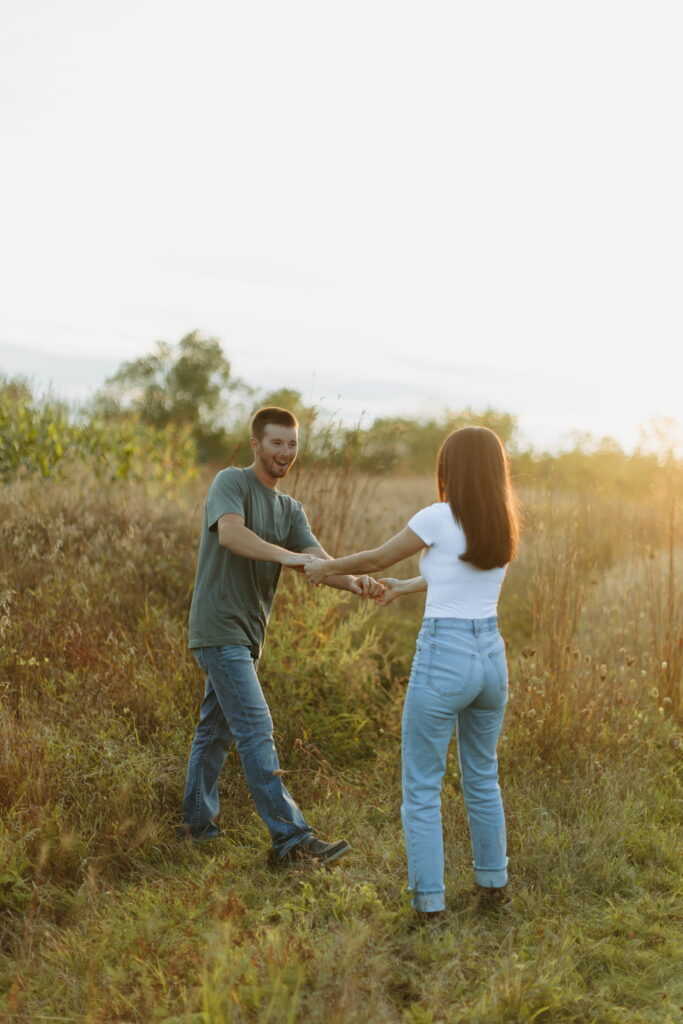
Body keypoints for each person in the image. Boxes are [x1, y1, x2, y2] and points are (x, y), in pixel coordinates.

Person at [305, 426, 521, 913]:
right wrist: (403, 587)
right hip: (490, 656)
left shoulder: (438, 517)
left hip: (445, 655)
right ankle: (494, 887)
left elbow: (378, 556)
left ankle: (430, 905)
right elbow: (456, 576)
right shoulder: (500, 521)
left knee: (423, 785)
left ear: (451, 469)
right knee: (483, 776)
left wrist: (325, 568)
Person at [180, 406, 381, 865]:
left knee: (214, 732)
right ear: (256, 445)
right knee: (255, 729)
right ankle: (291, 840)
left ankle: (194, 826)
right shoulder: (231, 482)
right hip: (218, 628)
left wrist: (355, 582)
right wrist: (290, 559)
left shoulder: (290, 509)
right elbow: (232, 536)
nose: (285, 453)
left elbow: (319, 561)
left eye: (292, 444)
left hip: (248, 636)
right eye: (276, 443)